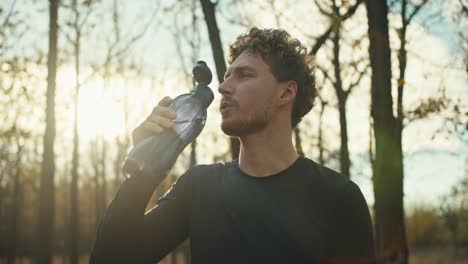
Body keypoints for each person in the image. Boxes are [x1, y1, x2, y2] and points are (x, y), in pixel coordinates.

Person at [90, 28, 376, 264]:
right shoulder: (199, 187)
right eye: (226, 77)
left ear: (286, 93)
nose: (224, 88)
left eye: (244, 75)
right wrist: (144, 168)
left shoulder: (338, 199)